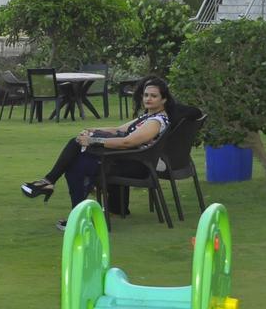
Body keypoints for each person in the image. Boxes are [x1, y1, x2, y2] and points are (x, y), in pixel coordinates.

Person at [20, 77, 176, 230]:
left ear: (164, 100)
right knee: (78, 158)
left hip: (137, 166)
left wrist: (94, 141)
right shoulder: (148, 116)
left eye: (154, 96)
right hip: (125, 159)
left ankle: (57, 191)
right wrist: (93, 130)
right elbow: (119, 130)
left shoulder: (156, 121)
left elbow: (127, 142)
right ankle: (62, 196)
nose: (148, 99)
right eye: (146, 95)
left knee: (78, 163)